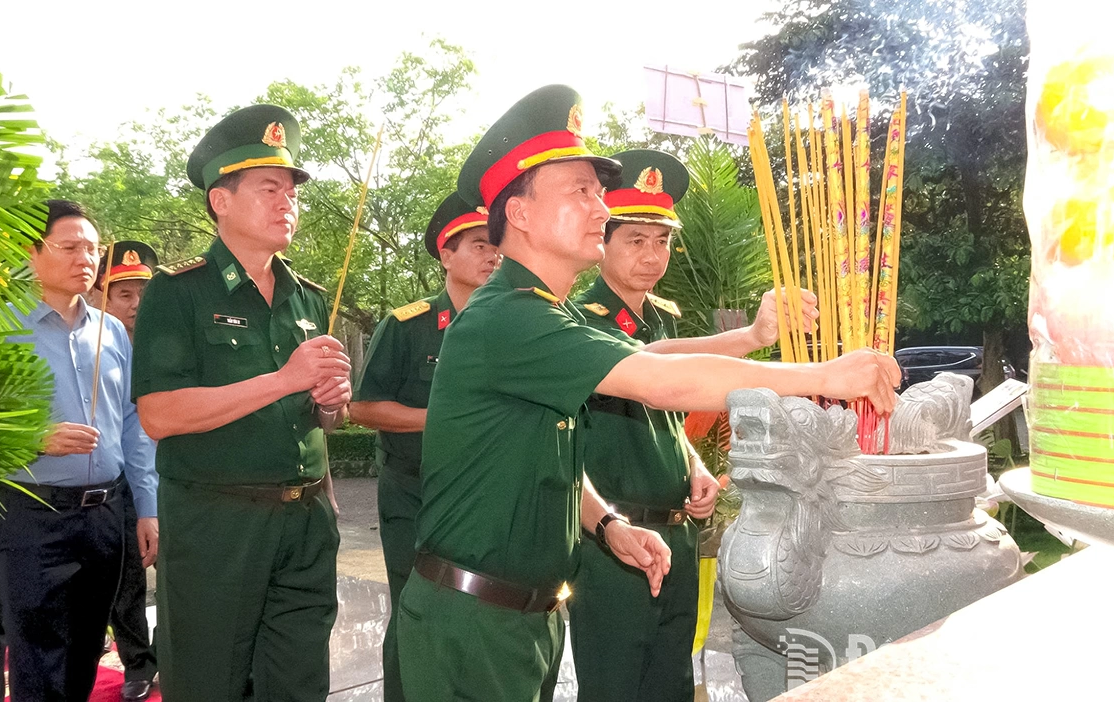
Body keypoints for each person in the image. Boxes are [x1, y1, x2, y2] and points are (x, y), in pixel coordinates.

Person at [396, 84, 900, 702]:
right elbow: (659, 381)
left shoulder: (548, 319)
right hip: (470, 626)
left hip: (520, 618)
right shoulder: (512, 317)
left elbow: (541, 456)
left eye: (598, 191)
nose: (600, 207)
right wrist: (824, 376)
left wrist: (606, 525)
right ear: (519, 214)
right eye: (578, 191)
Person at [569, 149, 815, 701]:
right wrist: (751, 337)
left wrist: (696, 466)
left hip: (677, 531)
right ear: (601, 242)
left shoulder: (666, 313)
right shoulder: (576, 320)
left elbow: (670, 417)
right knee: (615, 686)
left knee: (672, 681)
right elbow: (654, 367)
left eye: (662, 241)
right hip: (612, 539)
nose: (652, 255)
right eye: (635, 240)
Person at [132, 104, 352, 702]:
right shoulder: (177, 292)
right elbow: (159, 414)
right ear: (220, 200)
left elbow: (317, 415)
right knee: (209, 681)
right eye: (268, 188)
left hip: (306, 520)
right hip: (217, 525)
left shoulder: (305, 296)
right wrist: (285, 379)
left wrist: (330, 401)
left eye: (292, 190)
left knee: (299, 681)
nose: (288, 202)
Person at [0, 199, 159, 701]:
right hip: (28, 512)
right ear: (32, 253)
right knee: (37, 654)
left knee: (86, 646)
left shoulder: (110, 333)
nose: (85, 258)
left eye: (91, 248)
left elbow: (134, 426)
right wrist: (29, 438)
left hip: (104, 515)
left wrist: (146, 508)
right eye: (69, 247)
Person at [350, 192, 497, 702]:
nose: (492, 256)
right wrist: (442, 421)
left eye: (497, 246)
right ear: (446, 255)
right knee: (415, 611)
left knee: (480, 615)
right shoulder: (408, 324)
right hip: (415, 495)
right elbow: (364, 409)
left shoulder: (508, 326)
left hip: (486, 497)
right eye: (479, 245)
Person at [93, 241, 159, 701]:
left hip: (174, 476)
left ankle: (159, 658)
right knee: (123, 577)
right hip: (118, 481)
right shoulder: (93, 343)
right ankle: (134, 658)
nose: (136, 306)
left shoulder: (168, 340)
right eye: (124, 295)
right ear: (102, 293)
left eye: (143, 294)